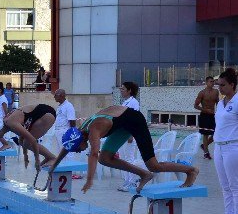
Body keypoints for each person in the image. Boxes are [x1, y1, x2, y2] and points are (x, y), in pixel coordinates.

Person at [53, 105, 199, 193]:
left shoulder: (93, 130)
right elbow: (67, 147)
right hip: (121, 124)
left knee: (154, 165)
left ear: (80, 141)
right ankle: (144, 175)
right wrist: (54, 165)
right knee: (105, 158)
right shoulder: (80, 131)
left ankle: (190, 170)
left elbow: (93, 154)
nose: (77, 151)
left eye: (77, 149)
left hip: (134, 121)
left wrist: (89, 180)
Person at [212, 68, 238, 214]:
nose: (219, 88)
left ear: (232, 85)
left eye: (222, 85)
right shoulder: (221, 104)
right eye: (218, 85)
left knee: (235, 185)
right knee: (224, 186)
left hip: (233, 146)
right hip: (219, 147)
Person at [0, 103, 57, 170]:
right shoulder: (7, 123)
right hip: (38, 113)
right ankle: (48, 157)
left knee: (28, 142)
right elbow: (21, 139)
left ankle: (52, 158)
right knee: (22, 142)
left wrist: (37, 160)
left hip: (46, 114)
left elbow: (33, 141)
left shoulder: (11, 123)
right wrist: (25, 156)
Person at [117, 82, 141, 192]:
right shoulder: (124, 102)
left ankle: (132, 182)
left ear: (129, 90)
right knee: (123, 159)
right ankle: (126, 181)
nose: (121, 90)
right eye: (120, 89)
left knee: (129, 159)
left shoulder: (134, 103)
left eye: (123, 89)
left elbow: (135, 119)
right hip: (121, 134)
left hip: (128, 134)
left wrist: (131, 134)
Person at [53, 89, 79, 176]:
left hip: (65, 131)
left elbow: (72, 121)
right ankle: (64, 170)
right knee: (61, 152)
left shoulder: (68, 106)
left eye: (56, 95)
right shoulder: (60, 106)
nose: (54, 97)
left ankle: (72, 172)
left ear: (62, 95)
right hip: (58, 131)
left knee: (68, 152)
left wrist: (72, 133)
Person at [195, 76, 220, 159]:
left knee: (216, 134)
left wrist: (219, 113)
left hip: (212, 115)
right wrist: (205, 110)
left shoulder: (216, 92)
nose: (212, 83)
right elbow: (195, 105)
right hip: (204, 115)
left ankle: (204, 146)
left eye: (213, 81)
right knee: (205, 134)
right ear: (206, 82)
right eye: (210, 81)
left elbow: (218, 103)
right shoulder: (202, 93)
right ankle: (206, 153)